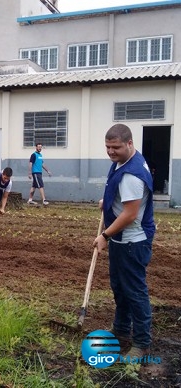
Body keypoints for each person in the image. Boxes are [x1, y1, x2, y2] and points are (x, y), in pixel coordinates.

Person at [93, 124, 155, 359]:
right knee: (120, 288)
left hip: (132, 242)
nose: (111, 151)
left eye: (115, 147)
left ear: (130, 143)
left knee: (135, 292)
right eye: (108, 147)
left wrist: (104, 235)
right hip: (123, 241)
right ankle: (120, 331)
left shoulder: (131, 174)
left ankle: (141, 343)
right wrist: (107, 200)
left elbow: (130, 214)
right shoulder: (125, 162)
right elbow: (123, 197)